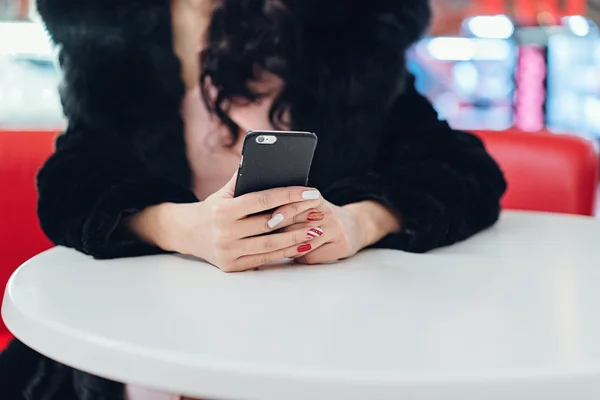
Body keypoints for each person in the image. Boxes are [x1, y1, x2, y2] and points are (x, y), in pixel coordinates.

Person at [1, 0, 506, 399]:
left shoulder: (351, 25)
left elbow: (459, 167)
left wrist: (358, 222)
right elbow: (74, 180)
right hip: (148, 317)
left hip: (319, 322)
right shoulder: (108, 28)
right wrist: (180, 227)